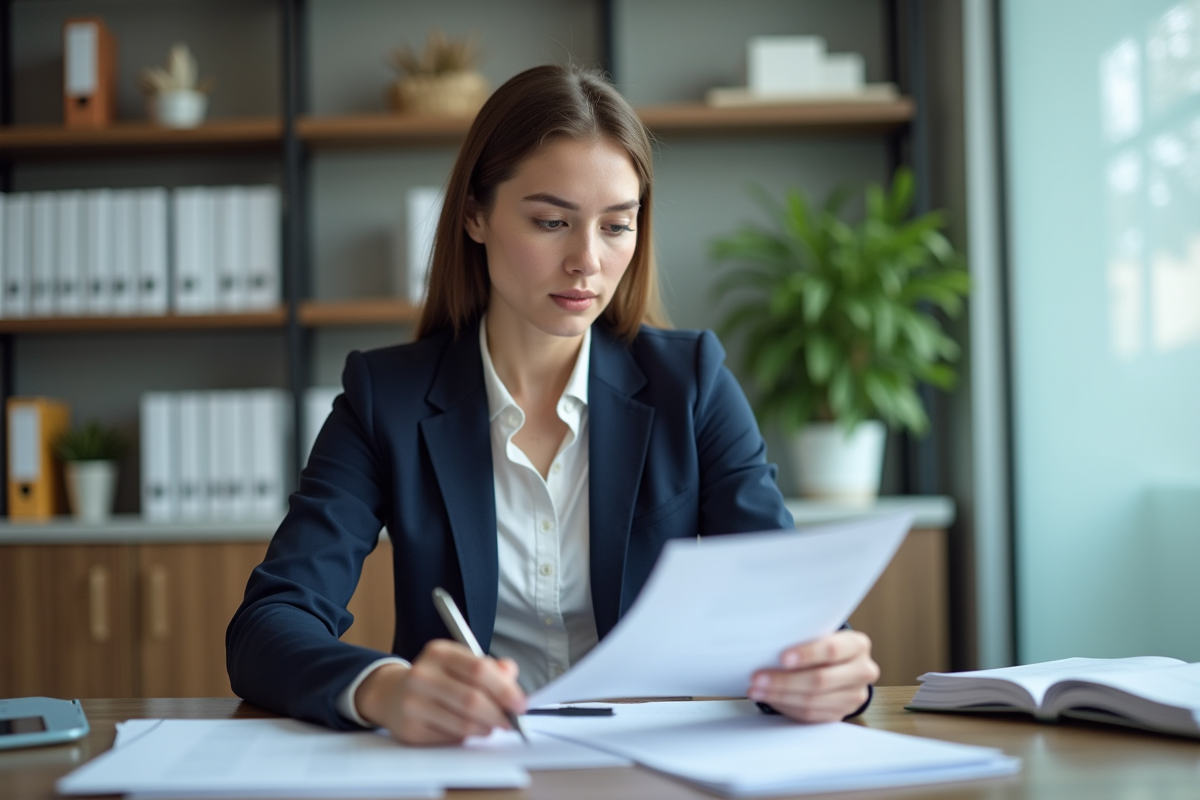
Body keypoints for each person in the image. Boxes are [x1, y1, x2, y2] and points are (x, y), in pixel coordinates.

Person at [226, 64, 879, 745]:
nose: (586, 261)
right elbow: (270, 625)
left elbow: (793, 610)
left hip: (653, 772)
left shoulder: (691, 384)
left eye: (617, 226)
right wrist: (387, 688)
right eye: (550, 222)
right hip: (468, 769)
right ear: (475, 215)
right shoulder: (383, 398)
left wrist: (832, 670)